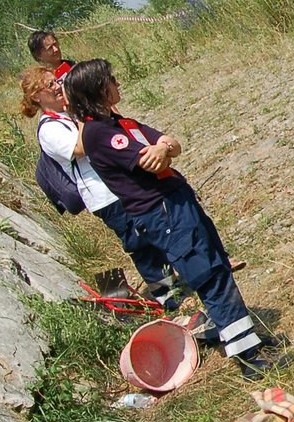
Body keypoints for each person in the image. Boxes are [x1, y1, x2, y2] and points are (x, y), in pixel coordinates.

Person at [62, 59, 286, 379]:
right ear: (99, 89)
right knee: (208, 275)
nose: (118, 83)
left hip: (177, 203)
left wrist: (164, 145)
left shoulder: (120, 123)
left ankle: (245, 339)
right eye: (111, 79)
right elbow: (151, 162)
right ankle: (249, 359)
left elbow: (171, 143)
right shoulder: (99, 133)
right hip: (162, 212)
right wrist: (162, 148)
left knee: (217, 266)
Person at [18, 65, 181, 308]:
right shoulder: (49, 129)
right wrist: (83, 113)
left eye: (58, 81)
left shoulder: (68, 115)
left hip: (121, 183)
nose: (58, 87)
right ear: (36, 97)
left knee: (157, 228)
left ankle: (182, 278)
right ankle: (169, 296)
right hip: (104, 195)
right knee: (139, 243)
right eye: (50, 85)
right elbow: (79, 148)